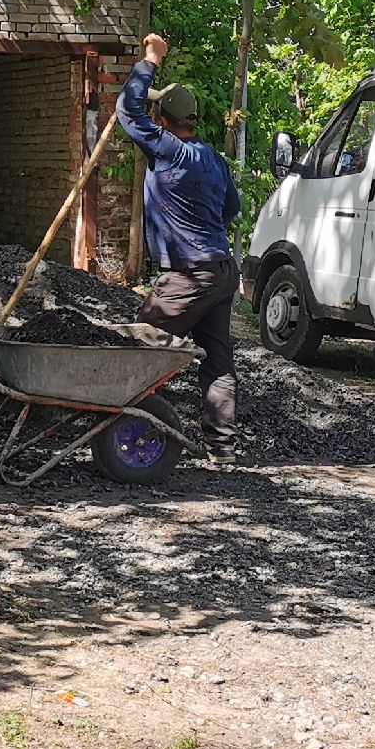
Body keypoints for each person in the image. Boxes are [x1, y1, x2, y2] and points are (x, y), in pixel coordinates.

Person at [118, 32, 243, 461]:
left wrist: (150, 60)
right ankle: (222, 446)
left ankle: (127, 434)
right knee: (216, 358)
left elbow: (126, 109)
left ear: (163, 118)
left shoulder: (169, 150)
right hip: (222, 268)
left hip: (190, 272)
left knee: (139, 349)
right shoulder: (213, 159)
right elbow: (231, 209)